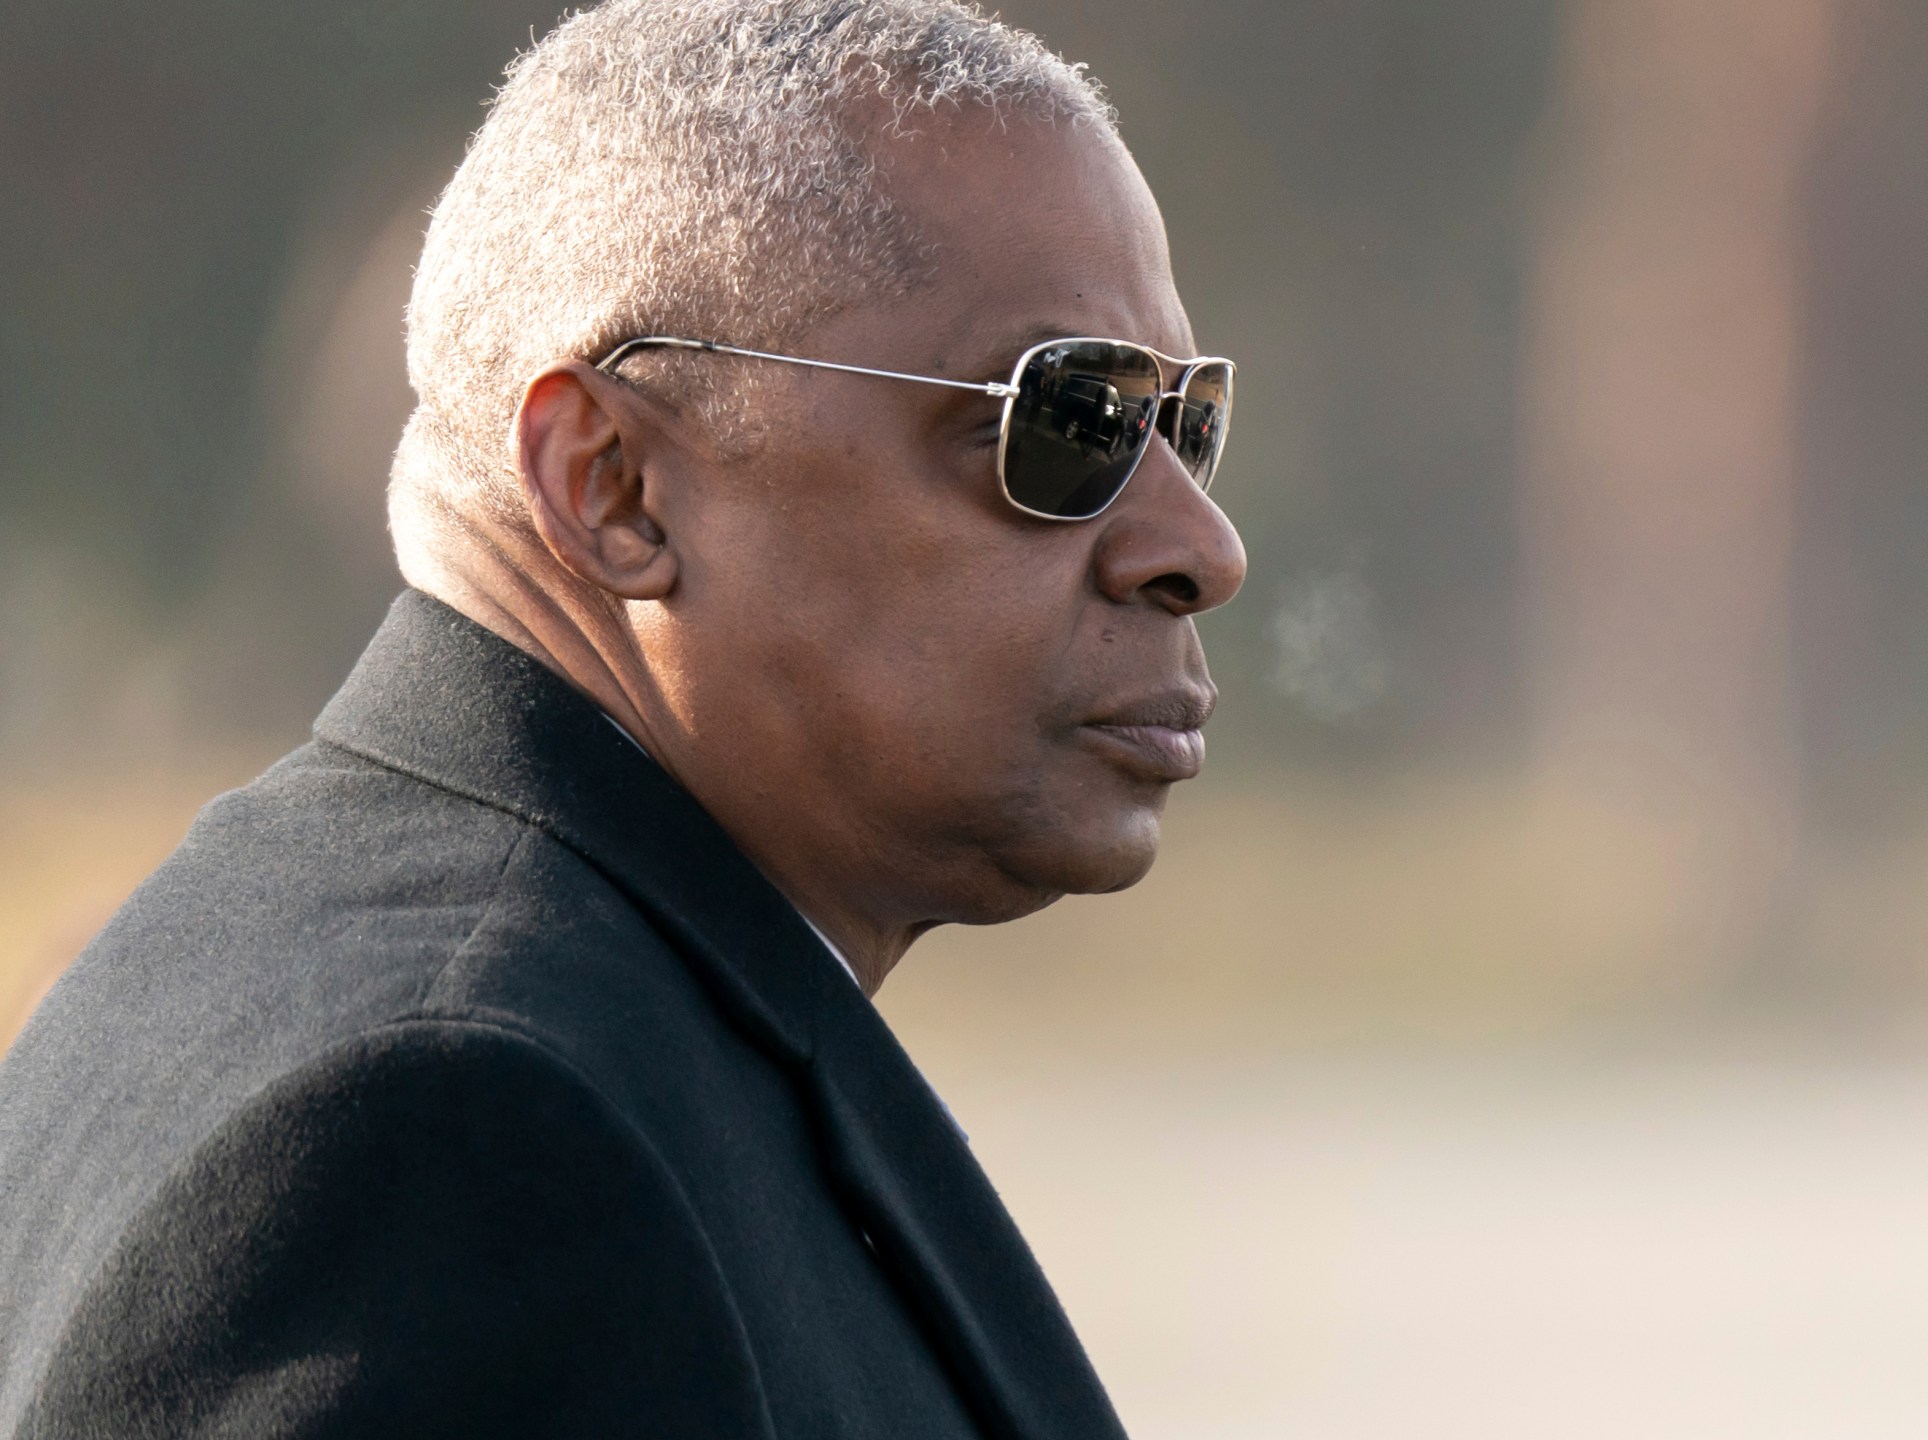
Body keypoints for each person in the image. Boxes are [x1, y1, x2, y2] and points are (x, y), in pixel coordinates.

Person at [0, 1, 1245, 1434]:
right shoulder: (449, 1129)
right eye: (1068, 419)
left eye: (1183, 425)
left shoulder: (380, 977)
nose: (1198, 544)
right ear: (615, 485)